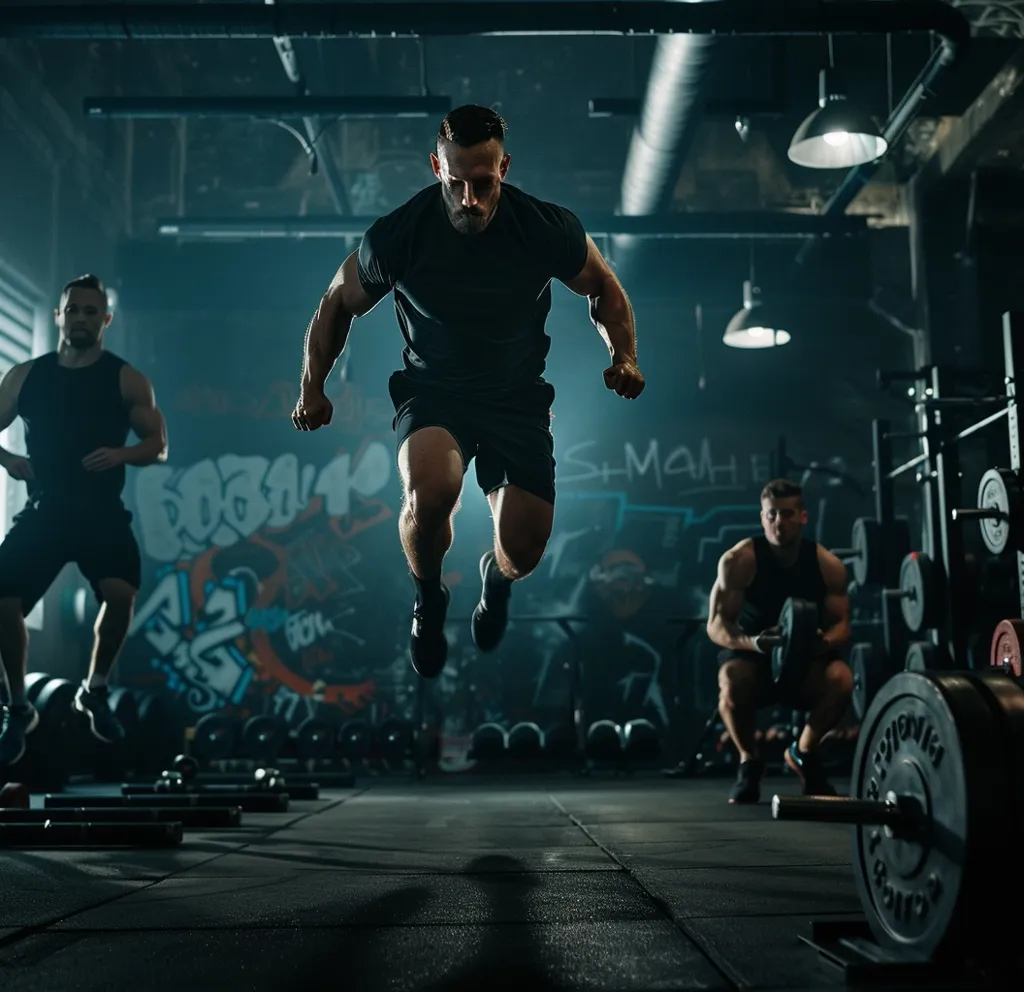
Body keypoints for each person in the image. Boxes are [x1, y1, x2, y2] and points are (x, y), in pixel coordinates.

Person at [292, 105, 644, 678]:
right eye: (456, 183)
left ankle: (494, 581)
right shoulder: (400, 234)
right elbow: (337, 301)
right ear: (437, 167)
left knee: (523, 553)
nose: (470, 199)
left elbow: (603, 286)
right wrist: (312, 387)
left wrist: (623, 356)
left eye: (484, 183)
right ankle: (428, 598)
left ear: (505, 166)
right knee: (431, 493)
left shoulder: (543, 227)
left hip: (516, 399)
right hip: (434, 392)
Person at [0, 274, 168, 766]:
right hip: (45, 510)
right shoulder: (26, 376)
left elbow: (158, 447)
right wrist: (7, 460)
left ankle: (94, 690)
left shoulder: (126, 378)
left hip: (100, 514)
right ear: (59, 315)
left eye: (91, 311)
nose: (80, 318)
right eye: (73, 309)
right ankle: (18, 707)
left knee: (120, 595)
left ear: (106, 320)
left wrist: (122, 453)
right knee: (2, 602)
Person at [706, 478, 853, 803]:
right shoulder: (738, 561)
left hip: (804, 660)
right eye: (771, 515)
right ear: (762, 517)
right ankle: (750, 761)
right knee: (730, 680)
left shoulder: (827, 566)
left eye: (787, 514)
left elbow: (843, 626)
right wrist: (755, 642)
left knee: (841, 678)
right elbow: (716, 625)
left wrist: (822, 642)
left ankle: (803, 752)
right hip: (754, 658)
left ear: (802, 517)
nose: (778, 523)